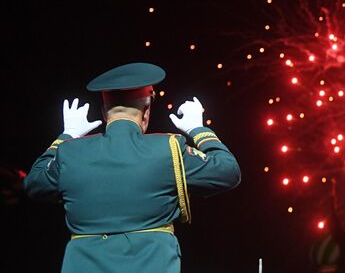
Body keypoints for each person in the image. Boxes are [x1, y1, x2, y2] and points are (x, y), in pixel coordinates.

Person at [23, 62, 241, 272]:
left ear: (103, 111)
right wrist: (198, 129)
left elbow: (34, 183)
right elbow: (228, 171)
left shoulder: (70, 152)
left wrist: (66, 135)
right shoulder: (168, 149)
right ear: (146, 111)